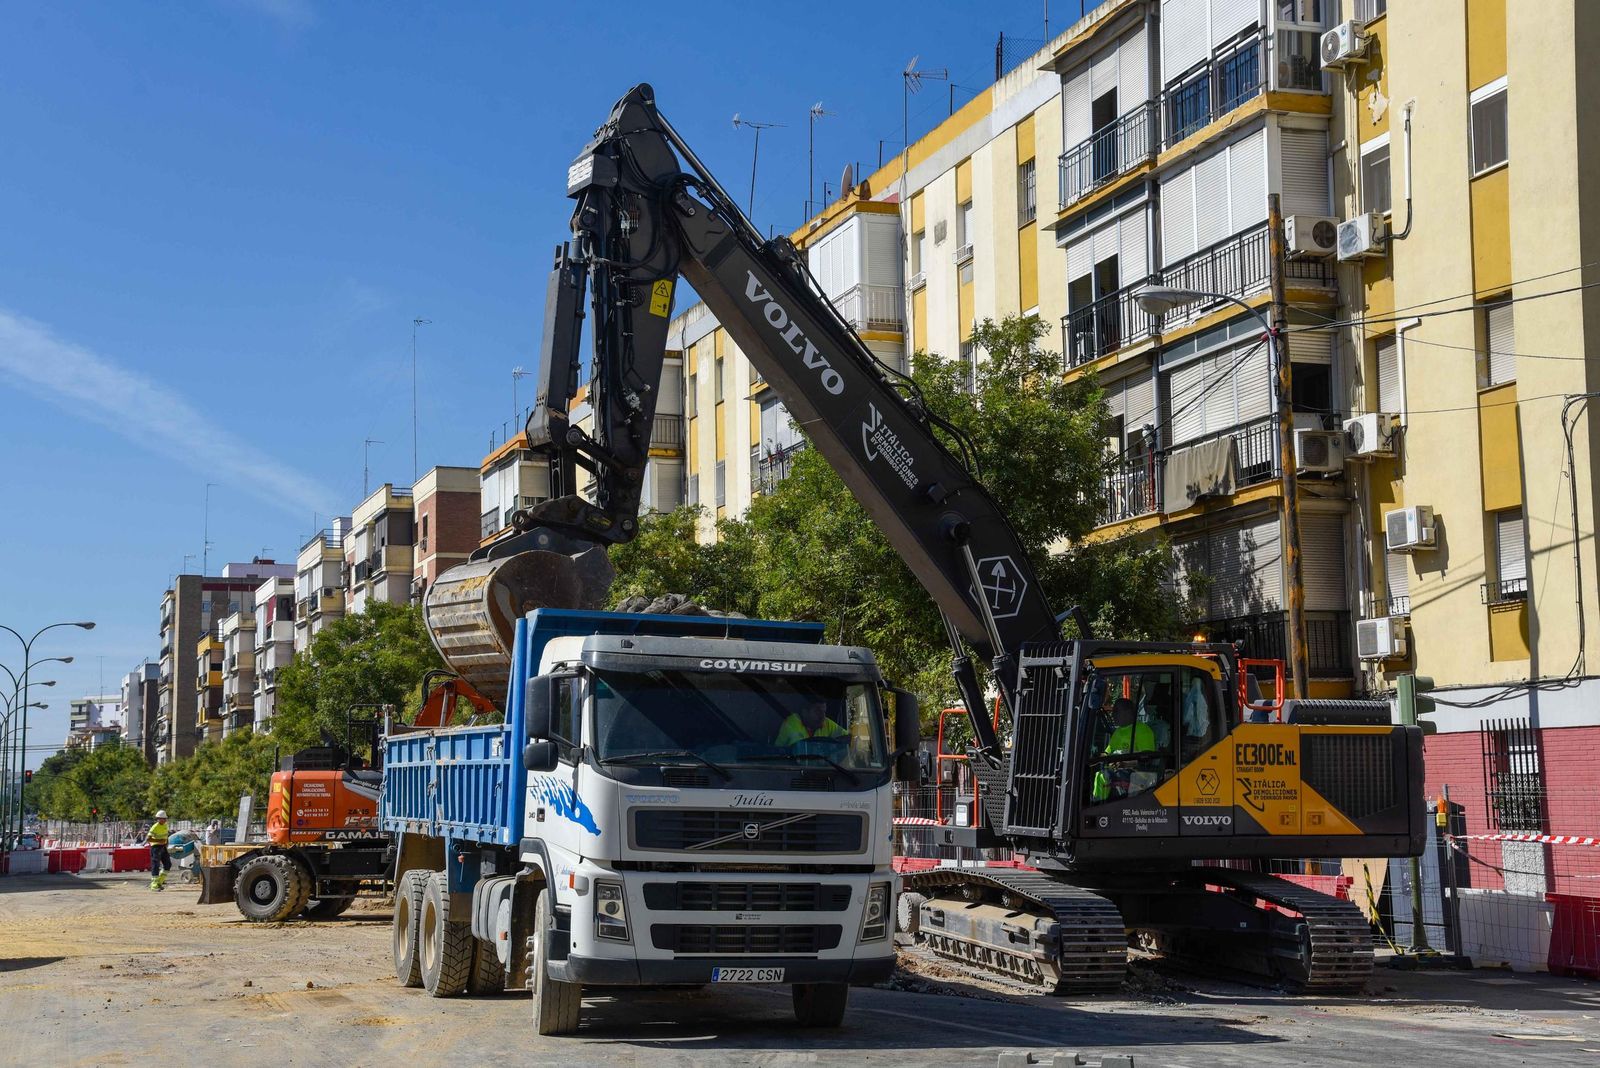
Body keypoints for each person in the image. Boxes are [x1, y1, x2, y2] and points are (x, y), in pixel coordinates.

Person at [1090, 699, 1157, 802]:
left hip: (1137, 774)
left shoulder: (1143, 731)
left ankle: (1099, 806)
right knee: (1098, 774)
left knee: (1104, 775)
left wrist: (1124, 764)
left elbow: (1147, 759)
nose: (1113, 715)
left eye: (1116, 711)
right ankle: (1098, 803)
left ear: (1129, 712)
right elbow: (1108, 752)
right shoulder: (1118, 732)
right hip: (1118, 772)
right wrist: (1096, 758)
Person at [774, 699, 846, 747]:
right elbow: (778, 751)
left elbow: (848, 738)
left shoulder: (826, 723)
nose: (822, 716)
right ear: (804, 712)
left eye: (824, 712)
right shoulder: (791, 723)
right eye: (818, 711)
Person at [147, 810, 172, 891]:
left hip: (163, 847)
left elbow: (166, 835)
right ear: (158, 819)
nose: (164, 820)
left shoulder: (165, 825)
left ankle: (159, 882)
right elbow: (148, 838)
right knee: (156, 865)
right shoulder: (155, 827)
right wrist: (158, 841)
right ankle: (154, 884)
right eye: (162, 818)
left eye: (165, 818)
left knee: (168, 864)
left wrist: (166, 843)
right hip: (155, 848)